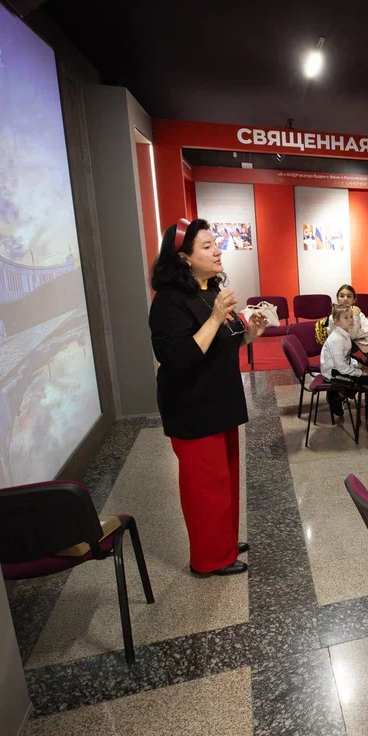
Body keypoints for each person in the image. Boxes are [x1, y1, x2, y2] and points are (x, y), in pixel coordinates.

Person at [149, 219, 268, 577]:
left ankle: (224, 544)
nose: (217, 250)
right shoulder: (169, 301)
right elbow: (180, 357)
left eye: (215, 243)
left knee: (225, 480)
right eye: (207, 246)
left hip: (220, 401)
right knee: (205, 487)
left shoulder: (208, 288)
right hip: (192, 406)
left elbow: (222, 345)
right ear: (184, 258)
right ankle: (208, 558)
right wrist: (216, 318)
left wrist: (251, 334)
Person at [322, 303, 368, 430]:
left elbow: (347, 358)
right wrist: (360, 372)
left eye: (351, 317)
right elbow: (341, 366)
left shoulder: (344, 335)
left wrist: (360, 366)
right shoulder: (337, 339)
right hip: (333, 374)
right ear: (336, 322)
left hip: (340, 369)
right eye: (346, 318)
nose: (351, 320)